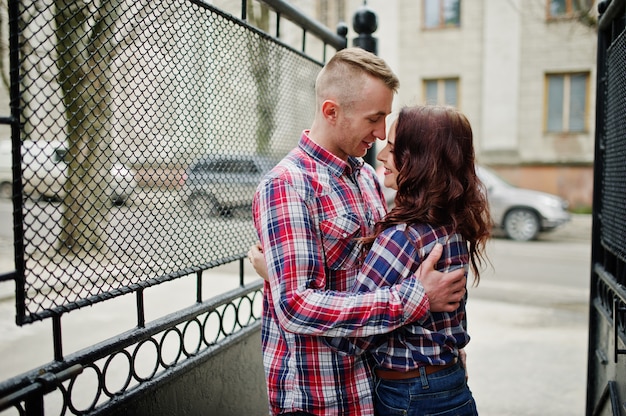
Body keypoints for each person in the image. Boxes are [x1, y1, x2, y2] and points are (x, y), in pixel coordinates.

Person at [251, 47, 467, 416]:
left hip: (375, 389)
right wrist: (416, 298)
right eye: (375, 118)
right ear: (331, 111)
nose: (382, 133)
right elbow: (295, 307)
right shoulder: (288, 185)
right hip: (319, 396)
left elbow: (383, 273)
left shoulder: (366, 177)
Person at [326, 105, 491, 415]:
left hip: (412, 395)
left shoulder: (403, 238)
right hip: (448, 384)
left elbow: (348, 339)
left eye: (393, 147)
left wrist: (276, 276)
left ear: (420, 159)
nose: (381, 155)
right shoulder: (450, 225)